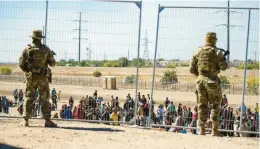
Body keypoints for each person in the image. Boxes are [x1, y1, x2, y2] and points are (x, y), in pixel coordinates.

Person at [189, 32, 228, 136]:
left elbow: (191, 69)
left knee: (201, 105)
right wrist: (221, 61)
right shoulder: (217, 52)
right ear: (214, 40)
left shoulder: (198, 51)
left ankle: (201, 130)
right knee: (215, 105)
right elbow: (224, 67)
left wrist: (200, 76)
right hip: (212, 81)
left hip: (200, 81)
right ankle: (214, 130)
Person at [18, 30, 57, 127]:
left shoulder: (26, 49)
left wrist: (28, 71)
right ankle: (47, 121)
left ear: (32, 38)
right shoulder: (46, 49)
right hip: (42, 78)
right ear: (40, 38)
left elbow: (21, 64)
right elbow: (53, 63)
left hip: (31, 78)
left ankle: (26, 120)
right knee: (45, 98)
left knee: (29, 97)